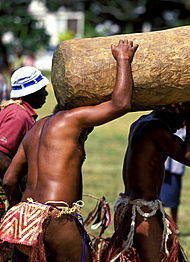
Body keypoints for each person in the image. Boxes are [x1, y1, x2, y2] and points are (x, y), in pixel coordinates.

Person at [0, 39, 138, 261]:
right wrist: (123, 58)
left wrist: (23, 214)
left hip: (25, 219)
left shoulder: (36, 129)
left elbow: (9, 181)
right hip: (57, 218)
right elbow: (121, 103)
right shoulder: (73, 120)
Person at [105, 102, 190, 262]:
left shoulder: (141, 122)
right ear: (174, 109)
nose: (180, 128)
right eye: (182, 120)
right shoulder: (156, 129)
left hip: (131, 206)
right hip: (143, 213)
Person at [0, 66, 49, 219]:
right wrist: (17, 194)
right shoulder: (18, 116)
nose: (46, 93)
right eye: (42, 89)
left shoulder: (18, 112)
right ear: (31, 93)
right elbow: (1, 156)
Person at [160, 126, 186, 227]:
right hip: (162, 167)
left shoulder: (186, 131)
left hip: (175, 168)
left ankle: (175, 225)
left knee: (173, 198)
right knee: (158, 199)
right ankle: (160, 224)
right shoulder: (163, 126)